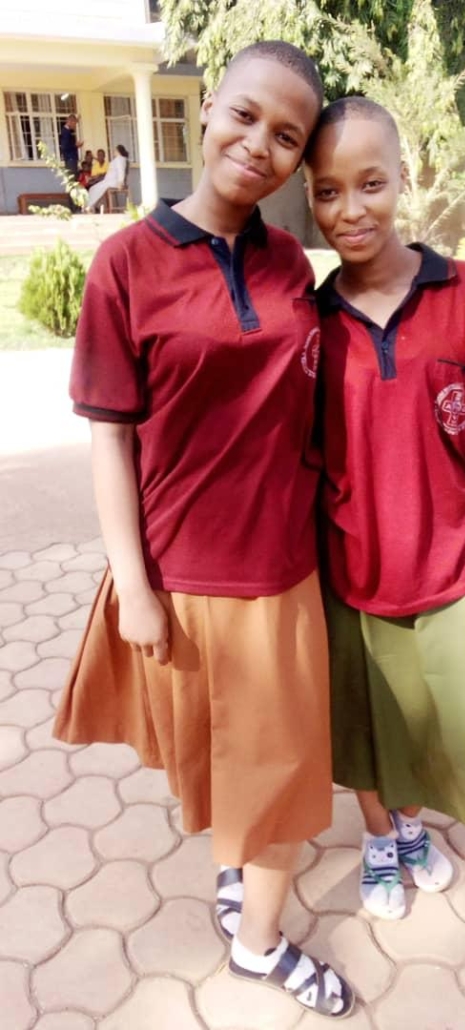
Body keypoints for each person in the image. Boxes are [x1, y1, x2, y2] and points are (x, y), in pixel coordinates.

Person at [54, 41, 354, 1018]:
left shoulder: (285, 264)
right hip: (181, 579)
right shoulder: (124, 264)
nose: (256, 144)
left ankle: (257, 948)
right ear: (207, 109)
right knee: (224, 766)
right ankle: (241, 889)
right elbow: (111, 441)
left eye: (286, 135)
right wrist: (131, 586)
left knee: (283, 779)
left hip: (283, 576)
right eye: (242, 116)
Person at [304, 96, 465, 921]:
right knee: (362, 731)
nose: (350, 210)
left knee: (451, 724)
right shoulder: (311, 321)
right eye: (326, 191)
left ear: (403, 177)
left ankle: (416, 823)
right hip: (351, 575)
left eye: (370, 183)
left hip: (456, 570)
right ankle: (381, 840)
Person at [86, 144, 129, 211]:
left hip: (113, 182)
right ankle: (91, 206)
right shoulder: (119, 159)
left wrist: (120, 182)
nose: (114, 152)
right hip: (110, 181)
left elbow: (121, 171)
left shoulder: (119, 159)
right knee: (93, 188)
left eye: (115, 150)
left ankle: (89, 206)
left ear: (118, 151)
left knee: (94, 189)